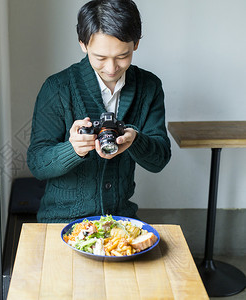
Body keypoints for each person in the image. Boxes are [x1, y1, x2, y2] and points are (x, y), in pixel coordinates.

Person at [27, 0, 171, 223]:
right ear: (83, 44)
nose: (111, 68)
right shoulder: (57, 88)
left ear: (136, 44)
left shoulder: (149, 87)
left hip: (119, 221)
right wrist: (73, 149)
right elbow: (37, 163)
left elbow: (159, 160)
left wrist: (135, 140)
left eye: (122, 56)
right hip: (61, 221)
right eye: (100, 58)